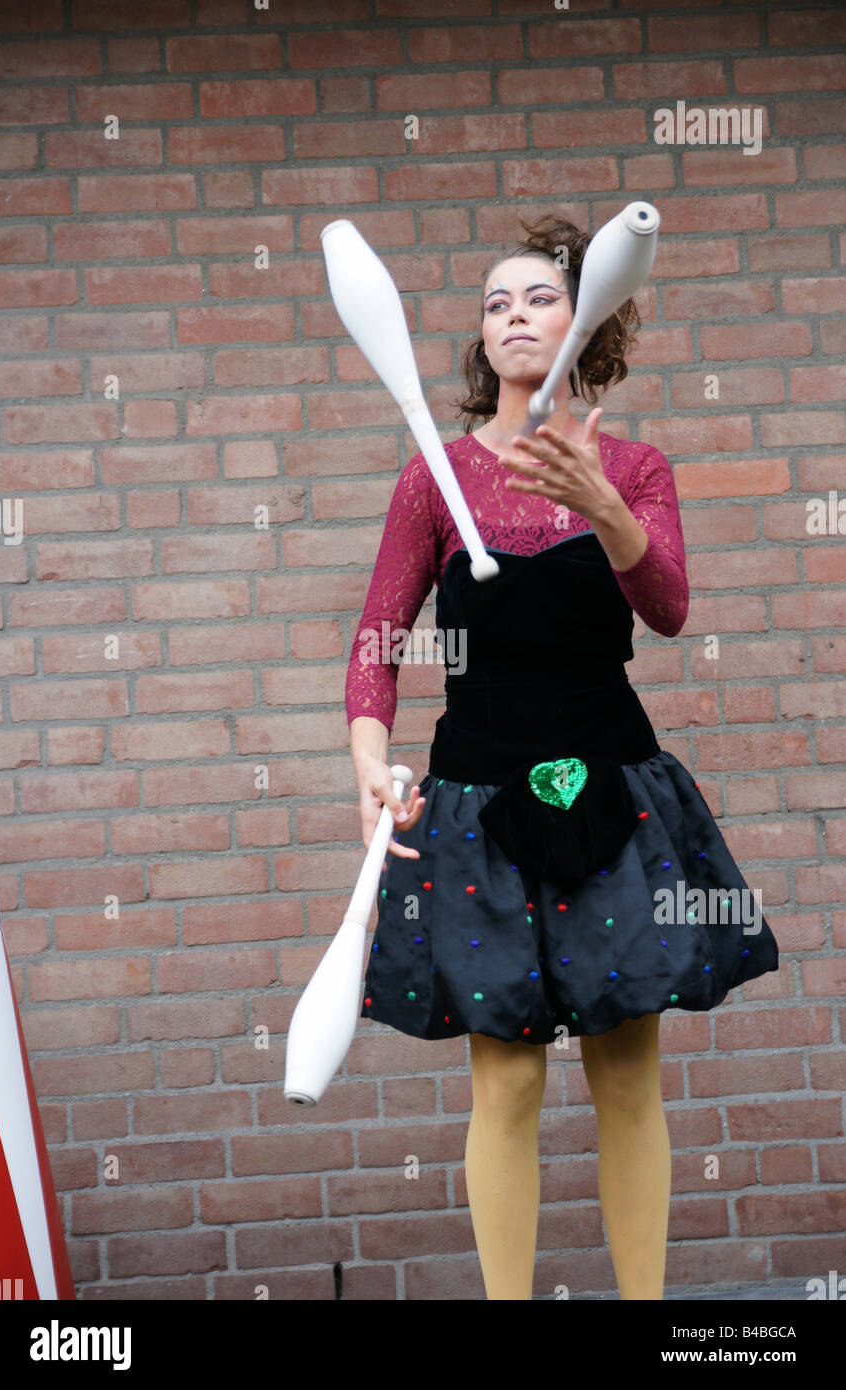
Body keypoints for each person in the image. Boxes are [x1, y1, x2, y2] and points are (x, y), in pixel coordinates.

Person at [345, 211, 780, 1301]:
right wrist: (365, 761)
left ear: (581, 321)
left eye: (537, 296)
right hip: (476, 802)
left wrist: (603, 511)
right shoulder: (431, 481)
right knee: (505, 1087)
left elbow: (667, 606)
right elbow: (374, 644)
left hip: (612, 791)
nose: (512, 316)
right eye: (494, 303)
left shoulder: (632, 467)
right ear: (480, 341)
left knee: (628, 1079)